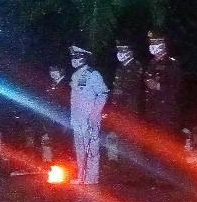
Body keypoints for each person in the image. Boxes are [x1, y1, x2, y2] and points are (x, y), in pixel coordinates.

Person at [68, 46, 109, 184]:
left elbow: (103, 94)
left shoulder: (93, 74)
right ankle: (81, 177)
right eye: (73, 57)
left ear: (84, 58)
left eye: (77, 57)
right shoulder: (75, 75)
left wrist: (95, 114)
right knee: (80, 149)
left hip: (89, 118)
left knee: (91, 149)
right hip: (77, 118)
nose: (74, 60)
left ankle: (91, 178)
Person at [104, 41, 144, 170]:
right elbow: (116, 89)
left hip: (130, 108)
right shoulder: (120, 68)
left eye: (123, 51)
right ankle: (124, 167)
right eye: (119, 52)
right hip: (120, 109)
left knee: (131, 139)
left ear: (130, 52)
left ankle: (134, 168)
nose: (120, 54)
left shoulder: (135, 66)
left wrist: (121, 92)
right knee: (121, 138)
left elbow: (132, 86)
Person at [143, 31, 182, 134]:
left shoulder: (172, 63)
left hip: (165, 112)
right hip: (151, 111)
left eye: (155, 43)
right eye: (151, 43)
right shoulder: (151, 63)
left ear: (163, 44)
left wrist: (158, 86)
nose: (152, 46)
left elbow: (177, 87)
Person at [40, 65, 71, 163]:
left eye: (55, 71)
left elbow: (68, 103)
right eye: (51, 71)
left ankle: (64, 163)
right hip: (53, 119)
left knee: (63, 142)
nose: (53, 73)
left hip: (63, 119)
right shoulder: (51, 85)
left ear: (61, 71)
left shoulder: (67, 85)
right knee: (55, 142)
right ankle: (57, 163)